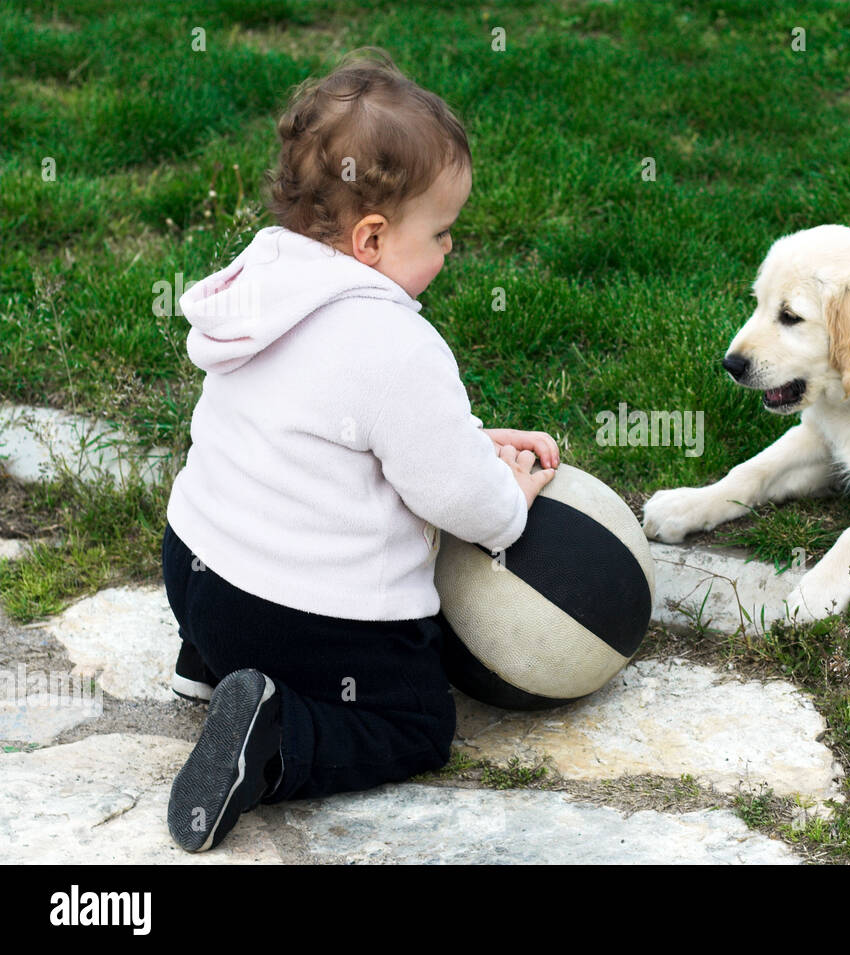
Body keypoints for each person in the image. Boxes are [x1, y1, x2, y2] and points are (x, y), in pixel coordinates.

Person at [160, 47, 556, 853]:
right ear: (373, 237)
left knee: (236, 560)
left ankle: (207, 665)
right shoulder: (394, 343)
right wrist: (508, 492)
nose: (451, 251)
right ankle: (276, 734)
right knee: (414, 721)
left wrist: (470, 439)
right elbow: (461, 499)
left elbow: (323, 431)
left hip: (196, 572)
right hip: (300, 623)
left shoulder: (262, 285)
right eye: (442, 233)